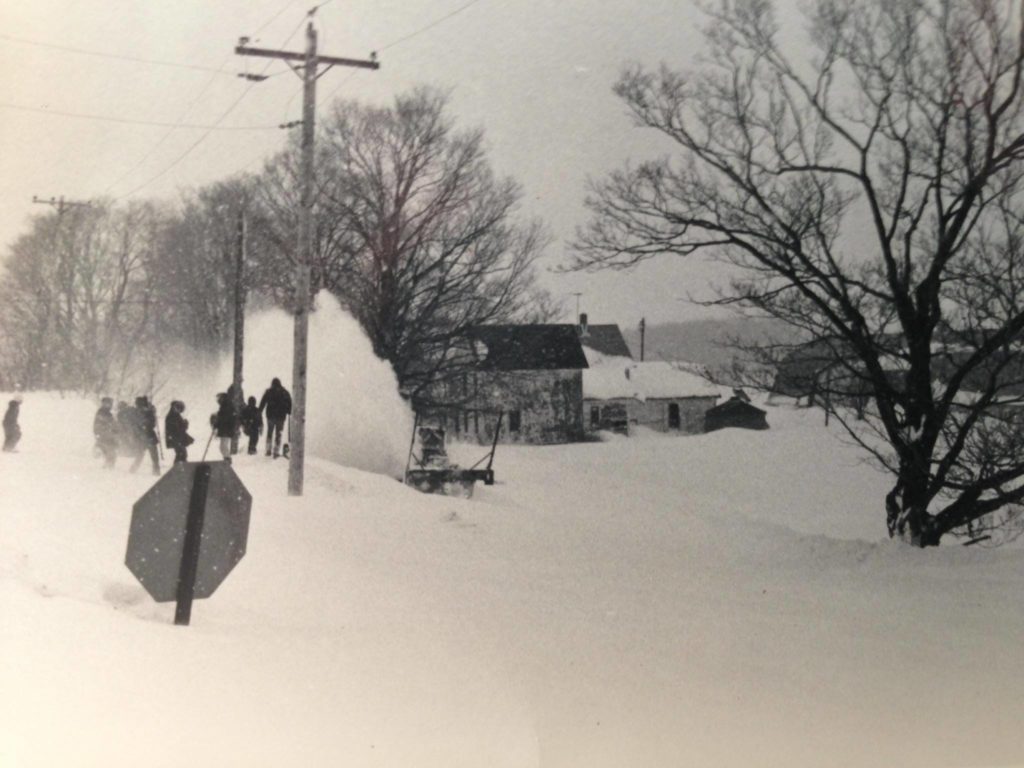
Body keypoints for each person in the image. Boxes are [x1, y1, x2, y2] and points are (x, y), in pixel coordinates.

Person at [258, 377, 292, 458]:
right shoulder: (285, 392)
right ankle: (276, 451)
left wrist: (259, 411)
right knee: (278, 434)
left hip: (270, 416)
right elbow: (290, 404)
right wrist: (289, 411)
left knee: (270, 432)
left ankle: (268, 450)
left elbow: (263, 402)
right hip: (281, 416)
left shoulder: (269, 392)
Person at [129, 396, 161, 476]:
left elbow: (151, 423)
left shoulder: (140, 412)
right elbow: (151, 424)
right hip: (147, 436)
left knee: (142, 455)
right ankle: (155, 472)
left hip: (144, 437)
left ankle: (133, 470)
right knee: (152, 456)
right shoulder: (142, 412)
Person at [211, 392, 237, 464]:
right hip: (225, 429)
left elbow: (224, 418)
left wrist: (217, 422)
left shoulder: (226, 406)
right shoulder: (225, 406)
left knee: (223, 446)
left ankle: (227, 459)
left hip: (226, 429)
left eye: (219, 398)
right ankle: (227, 459)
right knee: (223, 446)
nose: (218, 400)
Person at [93, 397, 118, 468]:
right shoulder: (102, 412)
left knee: (110, 453)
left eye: (110, 404)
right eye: (109, 403)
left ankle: (108, 465)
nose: (110, 405)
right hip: (105, 435)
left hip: (105, 434)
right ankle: (108, 467)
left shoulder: (106, 412)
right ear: (104, 403)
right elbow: (106, 423)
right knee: (111, 452)